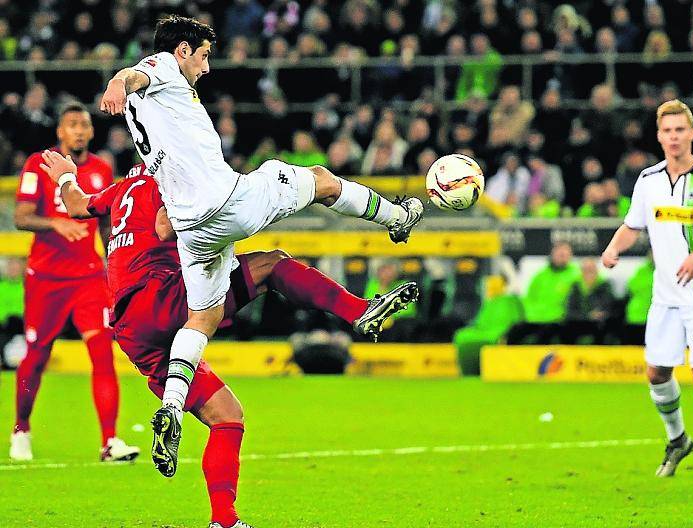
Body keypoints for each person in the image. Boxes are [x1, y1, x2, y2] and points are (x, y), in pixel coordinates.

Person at [98, 15, 424, 476]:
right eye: (205, 55)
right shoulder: (165, 68)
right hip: (230, 201)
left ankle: (171, 405)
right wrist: (117, 81)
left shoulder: (146, 109)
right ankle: (398, 218)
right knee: (322, 180)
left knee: (202, 316)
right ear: (183, 50)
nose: (206, 68)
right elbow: (135, 75)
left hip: (191, 228)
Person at [45, 154, 417, 528]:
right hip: (164, 294)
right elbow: (163, 226)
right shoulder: (172, 176)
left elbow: (77, 205)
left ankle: (223, 519)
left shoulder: (122, 188)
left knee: (227, 416)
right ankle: (358, 310)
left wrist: (65, 177)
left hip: (130, 327)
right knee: (272, 264)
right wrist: (228, 212)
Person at [602, 99, 693, 481]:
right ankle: (678, 440)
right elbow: (633, 225)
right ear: (659, 136)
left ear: (692, 134)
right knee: (657, 373)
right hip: (665, 296)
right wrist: (614, 248)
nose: (674, 136)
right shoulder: (648, 180)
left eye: (681, 129)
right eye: (667, 130)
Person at [11, 101, 139, 463]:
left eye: (84, 124)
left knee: (102, 353)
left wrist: (116, 263)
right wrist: (55, 223)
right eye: (71, 125)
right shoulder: (39, 164)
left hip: (88, 277)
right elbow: (21, 217)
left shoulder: (101, 169)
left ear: (91, 131)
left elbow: (104, 222)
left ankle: (110, 441)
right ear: (60, 132)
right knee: (36, 357)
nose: (79, 130)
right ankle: (21, 427)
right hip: (46, 280)